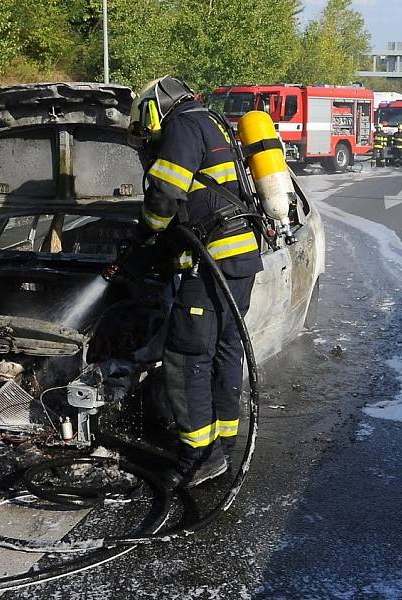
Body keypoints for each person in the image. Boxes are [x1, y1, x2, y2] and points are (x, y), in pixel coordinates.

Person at [127, 76, 263, 488]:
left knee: (188, 357)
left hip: (210, 264)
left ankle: (197, 457)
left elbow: (166, 194)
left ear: (155, 106)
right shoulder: (212, 120)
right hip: (238, 260)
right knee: (224, 352)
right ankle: (222, 445)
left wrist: (145, 234)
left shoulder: (182, 125)